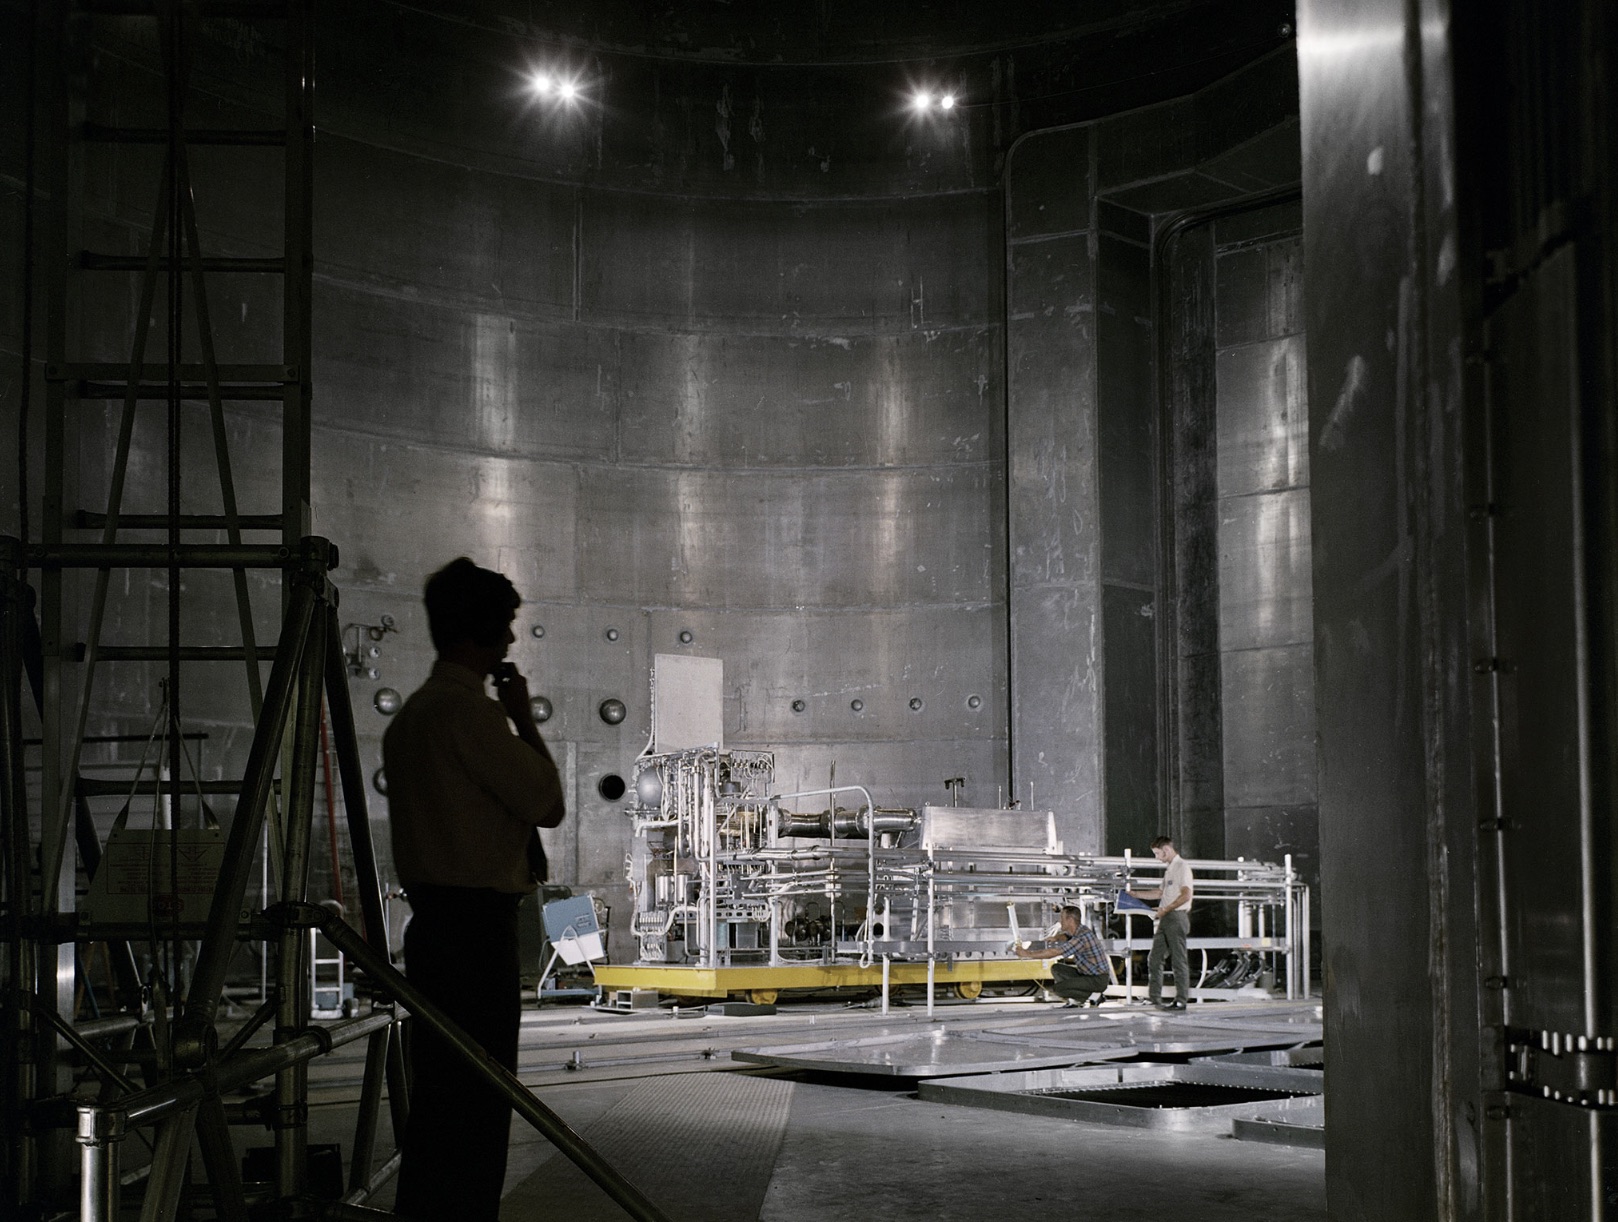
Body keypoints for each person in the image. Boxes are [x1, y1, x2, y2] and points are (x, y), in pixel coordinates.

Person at [383, 557, 566, 1222]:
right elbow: (547, 801)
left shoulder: (409, 720)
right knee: (480, 1108)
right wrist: (523, 719)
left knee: (440, 1109)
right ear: (483, 632)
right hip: (476, 935)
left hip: (434, 930)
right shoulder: (472, 717)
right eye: (507, 628)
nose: (512, 642)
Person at [1127, 834, 1194, 1011]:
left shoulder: (1182, 867)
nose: (1157, 858)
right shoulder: (1170, 869)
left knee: (1178, 960)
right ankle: (1154, 997)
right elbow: (1159, 893)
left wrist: (1167, 909)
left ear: (1166, 850)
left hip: (1176, 917)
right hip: (1166, 918)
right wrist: (1136, 894)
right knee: (1155, 958)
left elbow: (1186, 895)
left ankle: (1181, 1000)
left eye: (1157, 853)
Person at [1012, 905, 1112, 1006]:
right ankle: (1076, 1000)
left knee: (1058, 989)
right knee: (1057, 968)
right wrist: (1056, 938)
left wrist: (1028, 954)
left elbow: (1055, 952)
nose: (1060, 921)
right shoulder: (1081, 930)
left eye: (1062, 918)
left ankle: (1095, 996)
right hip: (1087, 975)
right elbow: (1067, 936)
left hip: (1097, 980)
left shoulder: (1081, 938)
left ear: (1069, 920)